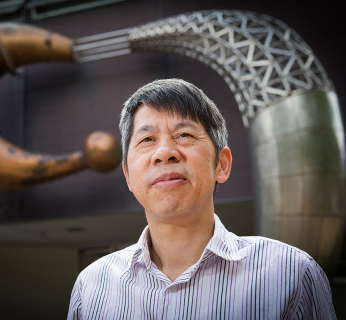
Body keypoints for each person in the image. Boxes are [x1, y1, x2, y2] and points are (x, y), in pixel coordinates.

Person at [67, 79, 336, 319]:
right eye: (147, 139)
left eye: (184, 135)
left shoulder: (291, 275)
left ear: (221, 164)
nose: (165, 153)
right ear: (127, 175)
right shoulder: (91, 287)